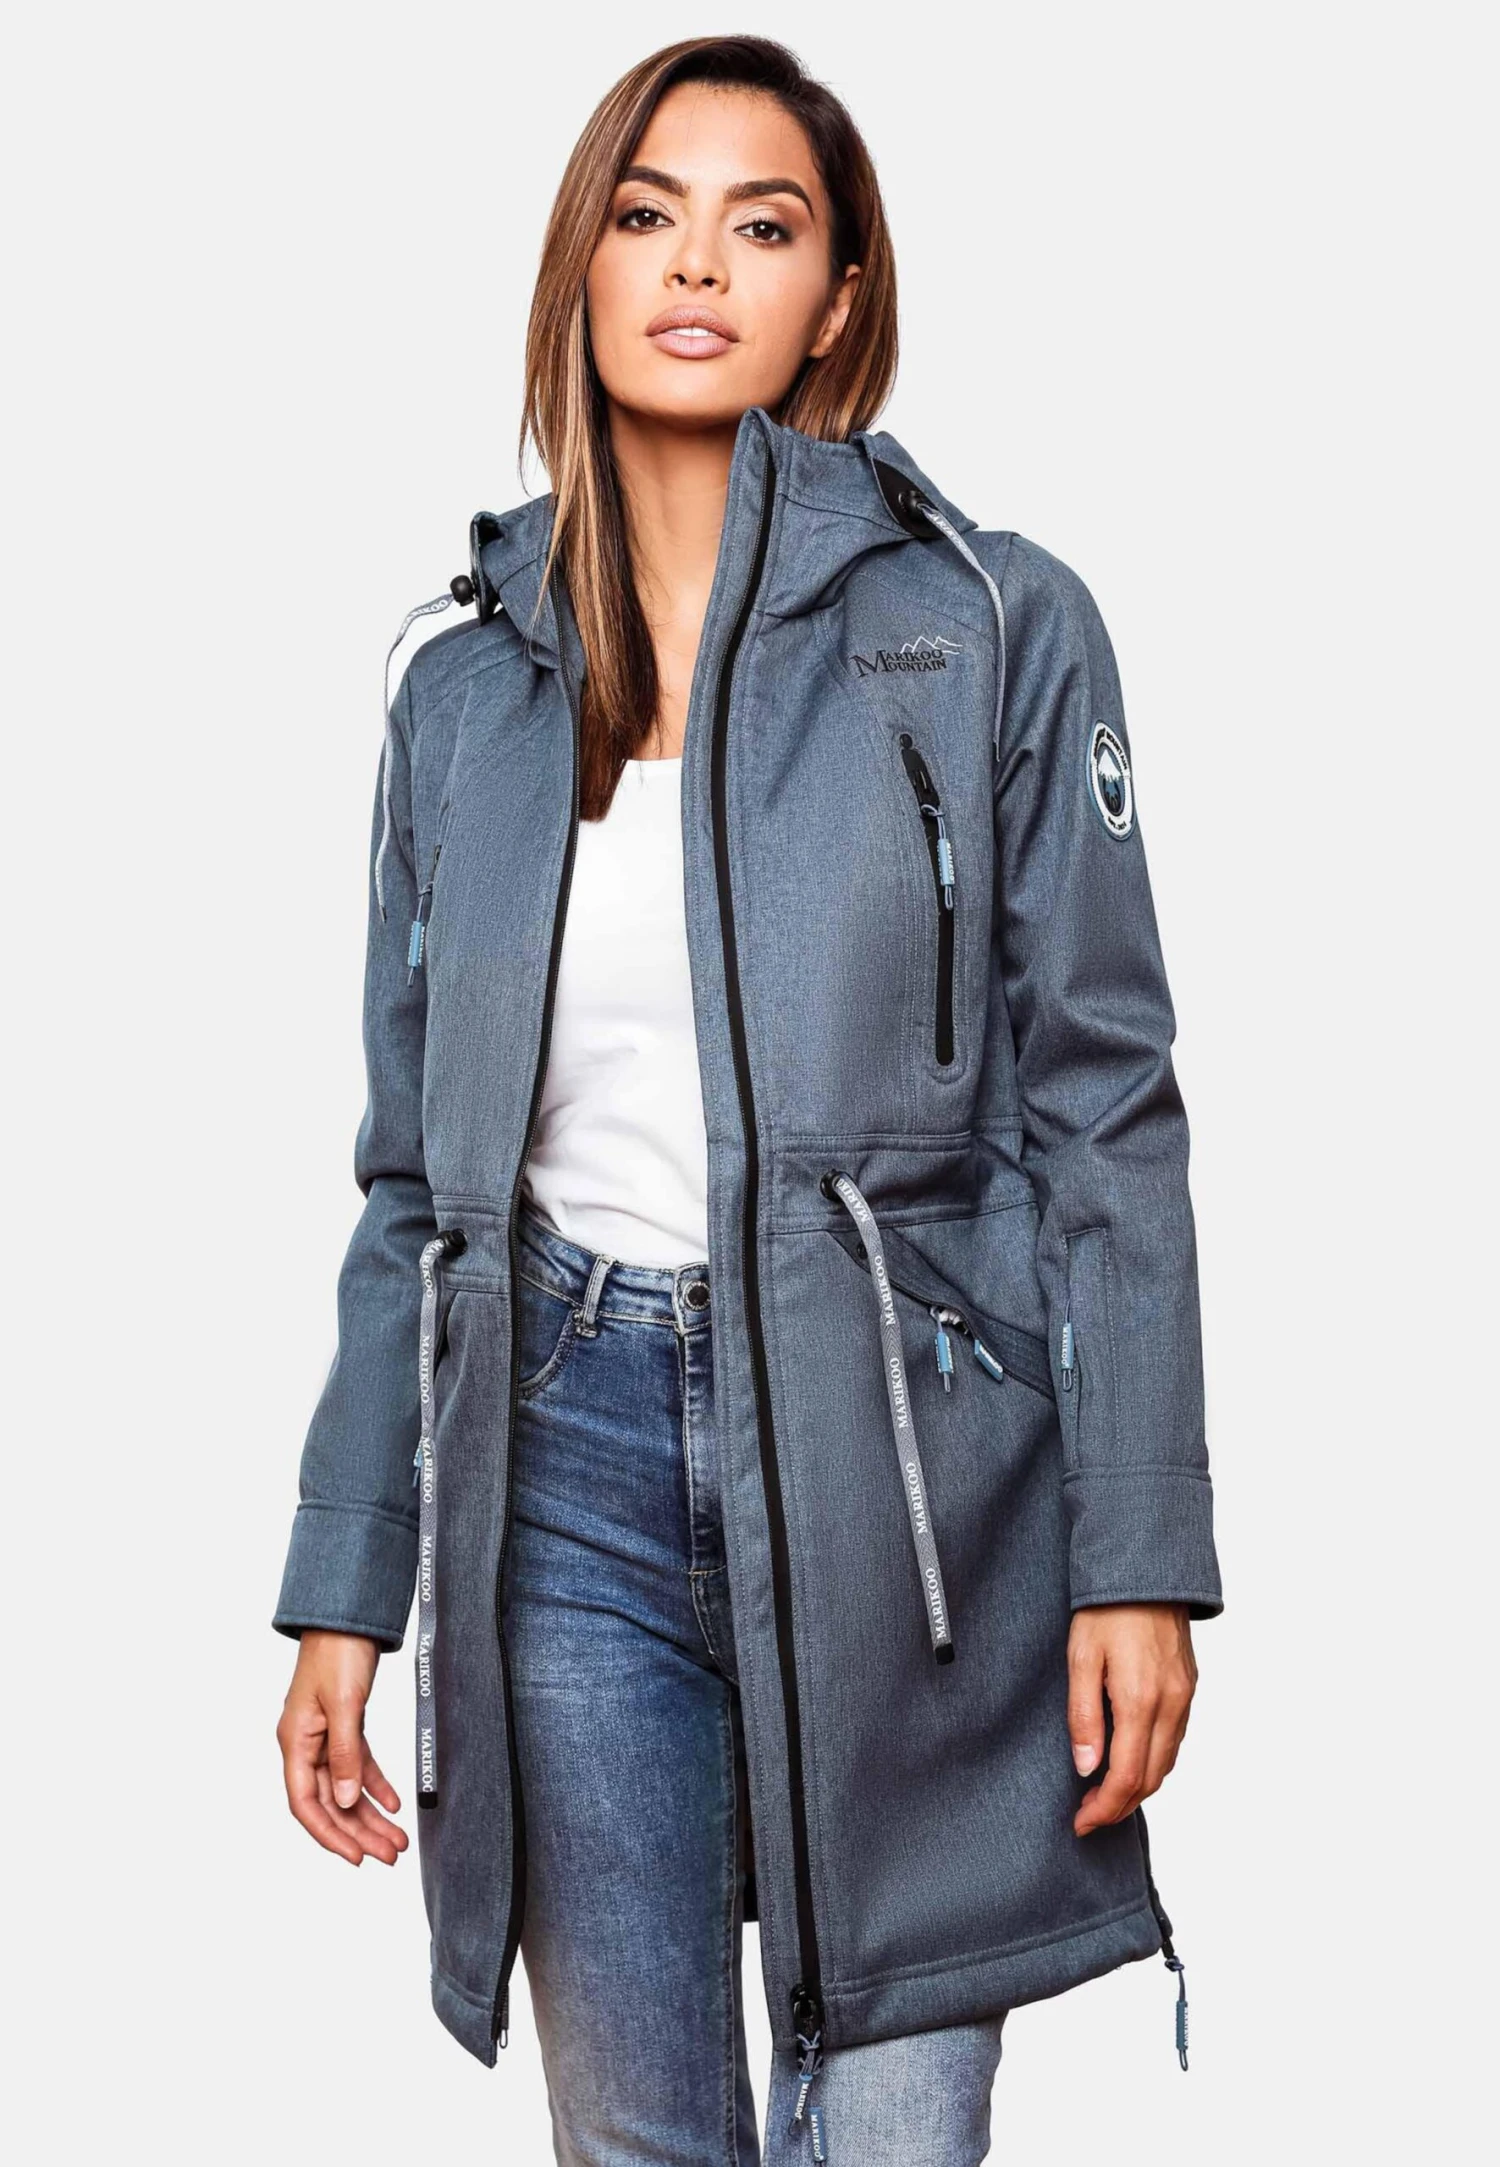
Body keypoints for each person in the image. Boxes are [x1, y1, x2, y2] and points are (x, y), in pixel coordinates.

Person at [273, 33, 1221, 2165]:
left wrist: (1140, 1544)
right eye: (649, 212)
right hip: (563, 1470)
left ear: (837, 296)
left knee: (893, 2127)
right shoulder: (463, 687)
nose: (698, 264)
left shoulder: (990, 623)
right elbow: (413, 1186)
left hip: (918, 1477)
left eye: (762, 224)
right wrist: (348, 1576)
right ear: (584, 263)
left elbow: (1106, 1106)